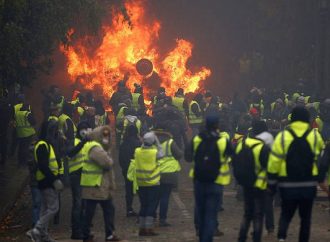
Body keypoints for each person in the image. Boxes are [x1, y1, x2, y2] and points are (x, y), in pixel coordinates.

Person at [267, 106, 324, 242]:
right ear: (307, 119)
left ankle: (281, 238)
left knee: (286, 214)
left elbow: (274, 162)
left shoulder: (282, 136)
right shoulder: (315, 136)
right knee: (305, 218)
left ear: (291, 118)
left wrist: (272, 183)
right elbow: (320, 159)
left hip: (288, 184)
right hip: (309, 184)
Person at [185, 114, 232, 242]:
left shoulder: (196, 139)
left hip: (199, 180)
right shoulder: (223, 140)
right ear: (218, 125)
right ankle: (208, 237)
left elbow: (188, 157)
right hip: (216, 181)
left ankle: (199, 231)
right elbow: (232, 157)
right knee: (211, 214)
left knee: (200, 209)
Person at [80, 125, 120, 242]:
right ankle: (107, 234)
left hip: (96, 185)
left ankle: (89, 234)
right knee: (103, 211)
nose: (106, 138)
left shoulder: (92, 146)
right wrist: (108, 152)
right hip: (97, 185)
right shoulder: (95, 148)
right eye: (104, 136)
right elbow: (107, 163)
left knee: (92, 212)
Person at [26, 120, 64, 242]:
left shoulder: (47, 144)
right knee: (53, 208)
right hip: (47, 181)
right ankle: (36, 230)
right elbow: (43, 166)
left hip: (46, 181)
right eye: (54, 130)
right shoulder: (43, 145)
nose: (56, 132)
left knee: (44, 209)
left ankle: (43, 236)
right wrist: (54, 180)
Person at [233, 120, 271, 242]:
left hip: (245, 184)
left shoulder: (242, 143)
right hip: (259, 185)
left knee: (247, 213)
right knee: (258, 215)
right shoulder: (262, 147)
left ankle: (242, 237)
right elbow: (268, 167)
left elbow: (234, 162)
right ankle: (256, 238)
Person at [132, 132, 163, 236]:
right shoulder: (154, 152)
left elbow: (141, 147)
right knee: (151, 205)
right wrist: (157, 141)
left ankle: (142, 228)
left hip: (141, 182)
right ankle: (149, 228)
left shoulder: (137, 151)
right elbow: (161, 154)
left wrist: (144, 141)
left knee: (143, 205)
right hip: (153, 183)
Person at [66, 121, 91, 240]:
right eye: (83, 129)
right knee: (78, 203)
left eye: (87, 129)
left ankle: (83, 228)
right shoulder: (73, 141)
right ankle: (75, 230)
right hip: (76, 175)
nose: (85, 131)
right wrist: (83, 142)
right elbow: (71, 153)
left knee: (85, 204)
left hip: (86, 175)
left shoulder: (87, 143)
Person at [154, 128, 182, 226]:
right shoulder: (170, 142)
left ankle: (151, 215)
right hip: (169, 173)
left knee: (155, 196)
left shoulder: (152, 143)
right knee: (165, 197)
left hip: (155, 172)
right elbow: (179, 155)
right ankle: (162, 219)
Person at [119, 125, 141, 217]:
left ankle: (129, 209)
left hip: (126, 170)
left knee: (128, 190)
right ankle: (143, 208)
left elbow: (120, 158)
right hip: (137, 169)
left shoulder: (123, 143)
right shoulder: (138, 143)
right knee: (140, 190)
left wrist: (124, 168)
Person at [15, 98, 36, 166]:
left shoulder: (17, 113)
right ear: (27, 107)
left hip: (20, 133)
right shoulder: (27, 113)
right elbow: (34, 122)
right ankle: (24, 163)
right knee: (26, 148)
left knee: (21, 147)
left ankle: (20, 162)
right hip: (28, 133)